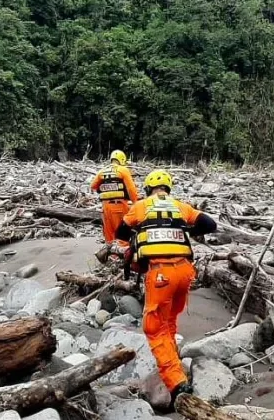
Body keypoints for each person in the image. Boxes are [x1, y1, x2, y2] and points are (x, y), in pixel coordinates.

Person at [115, 169, 218, 407]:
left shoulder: (141, 207)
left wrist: (140, 233)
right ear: (168, 188)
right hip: (184, 272)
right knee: (169, 320)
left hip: (160, 273)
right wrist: (188, 230)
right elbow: (210, 224)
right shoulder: (181, 207)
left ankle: (176, 382)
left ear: (148, 188)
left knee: (153, 327)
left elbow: (121, 231)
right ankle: (172, 357)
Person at [90, 150, 139, 255]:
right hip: (120, 206)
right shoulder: (123, 170)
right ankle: (123, 257)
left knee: (109, 234)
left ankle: (111, 258)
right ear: (122, 160)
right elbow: (131, 189)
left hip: (105, 208)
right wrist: (136, 203)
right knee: (122, 234)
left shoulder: (102, 171)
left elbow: (93, 186)